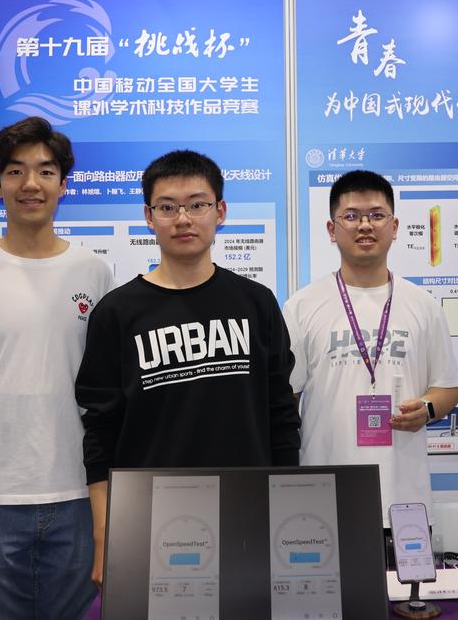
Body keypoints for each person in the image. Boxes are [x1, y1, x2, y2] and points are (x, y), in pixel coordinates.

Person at [76, 149, 301, 587]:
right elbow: (100, 432)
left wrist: (285, 509)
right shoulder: (116, 313)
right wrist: (104, 533)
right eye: (168, 207)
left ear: (220, 212)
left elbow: (281, 415)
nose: (183, 219)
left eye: (197, 204)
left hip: (247, 509)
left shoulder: (256, 303)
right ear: (149, 216)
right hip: (149, 515)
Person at [0, 117, 114, 619]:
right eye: (15, 171)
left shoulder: (94, 273)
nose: (31, 183)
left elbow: (104, 385)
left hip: (75, 490)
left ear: (63, 184)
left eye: (46, 171)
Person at [282, 170, 458, 539]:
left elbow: (447, 388)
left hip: (405, 498)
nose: (365, 225)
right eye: (351, 216)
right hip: (324, 496)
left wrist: (427, 409)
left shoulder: (423, 304)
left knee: (403, 581)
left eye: (377, 215)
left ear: (394, 227)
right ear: (332, 230)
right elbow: (287, 399)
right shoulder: (302, 306)